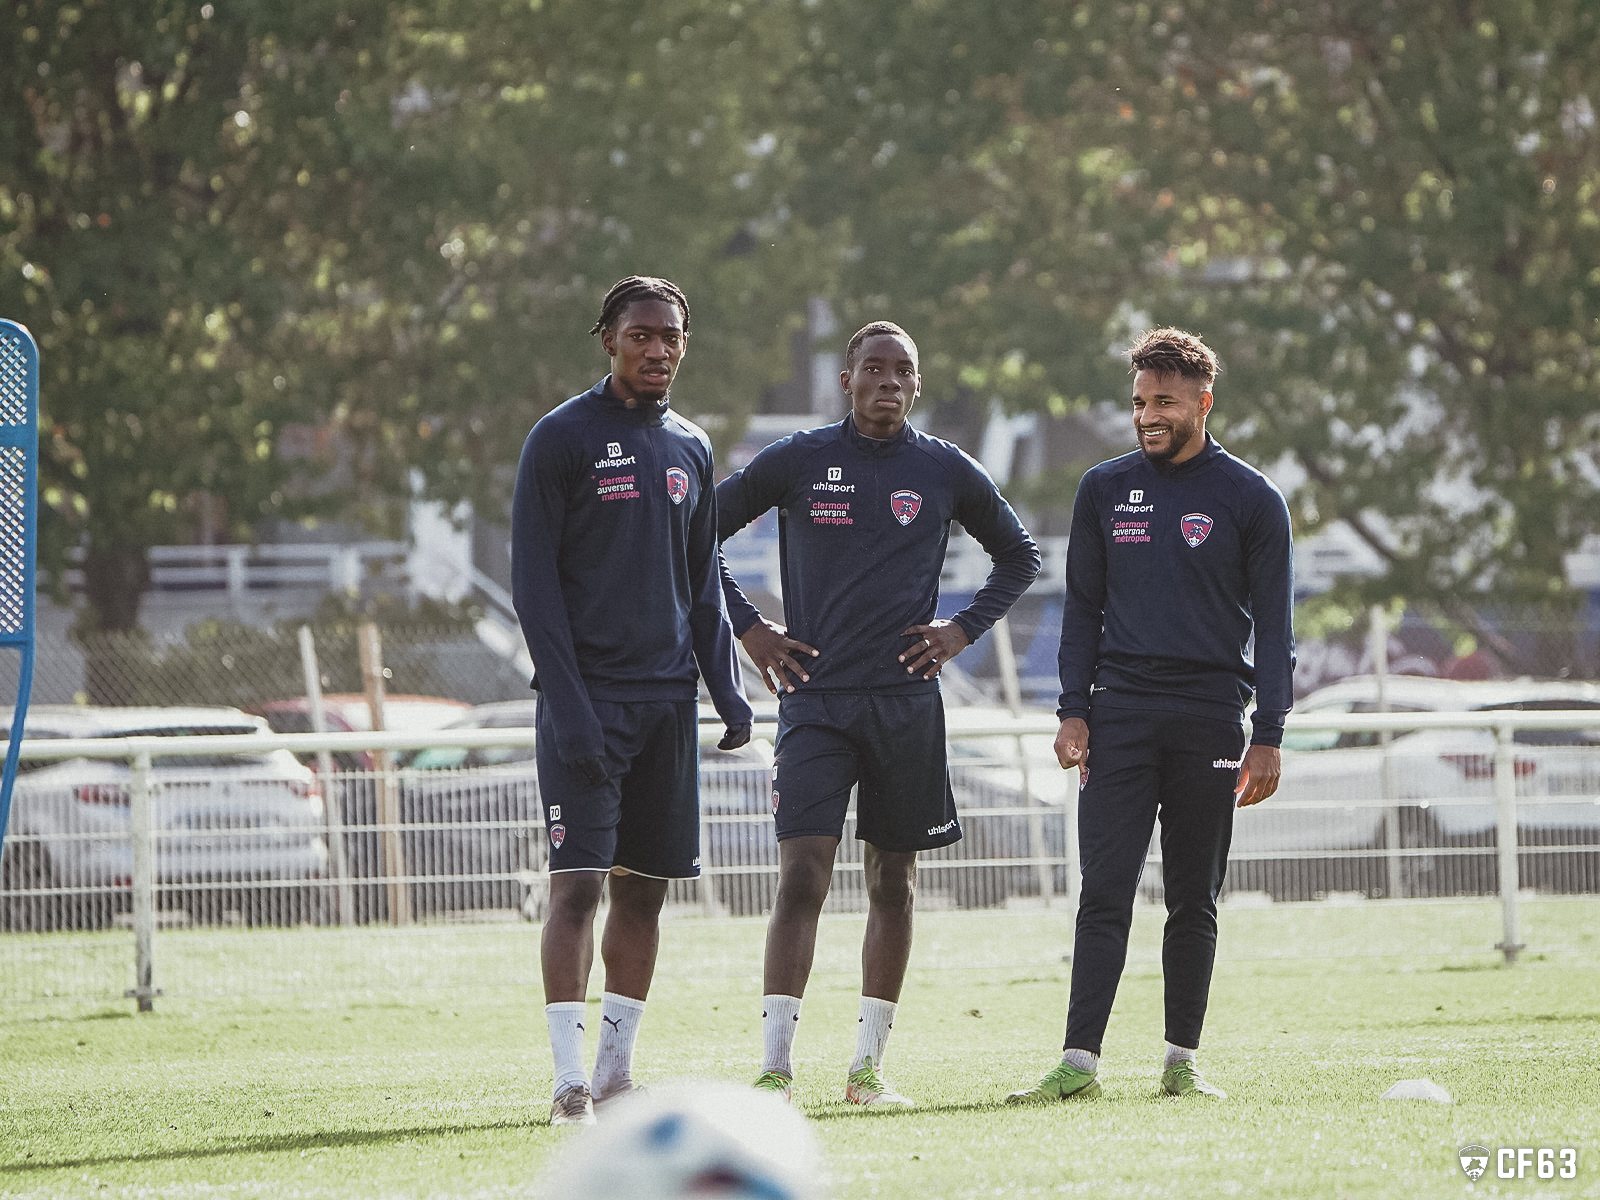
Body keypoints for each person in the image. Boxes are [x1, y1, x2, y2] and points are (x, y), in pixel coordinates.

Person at [717, 321, 1040, 1106]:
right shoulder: (799, 460)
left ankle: (866, 1071)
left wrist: (961, 630)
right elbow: (695, 539)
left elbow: (1020, 555)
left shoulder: (943, 469)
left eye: (903, 371)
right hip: (816, 704)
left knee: (893, 883)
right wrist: (751, 629)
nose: (888, 381)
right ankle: (775, 1070)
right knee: (804, 876)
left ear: (917, 386)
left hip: (905, 706)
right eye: (874, 368)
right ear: (846, 379)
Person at [1007, 327, 1293, 1105]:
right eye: (1139, 402)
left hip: (1209, 719)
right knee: (1103, 892)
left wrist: (1268, 734)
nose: (1148, 415)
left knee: (1192, 898)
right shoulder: (1103, 488)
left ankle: (1181, 1062)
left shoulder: (1252, 498)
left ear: (1203, 402)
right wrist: (1073, 712)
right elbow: (1082, 612)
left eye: (1164, 401)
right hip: (1119, 717)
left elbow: (1276, 630)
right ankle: (1078, 1063)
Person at [512, 275, 753, 1126]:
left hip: (666, 707)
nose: (658, 350)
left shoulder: (690, 445)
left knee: (646, 891)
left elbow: (702, 583)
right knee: (576, 886)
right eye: (641, 334)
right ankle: (568, 1081)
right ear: (608, 338)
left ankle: (616, 1076)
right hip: (587, 703)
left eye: (671, 337)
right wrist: (567, 701)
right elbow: (534, 586)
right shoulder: (562, 438)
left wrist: (727, 688)